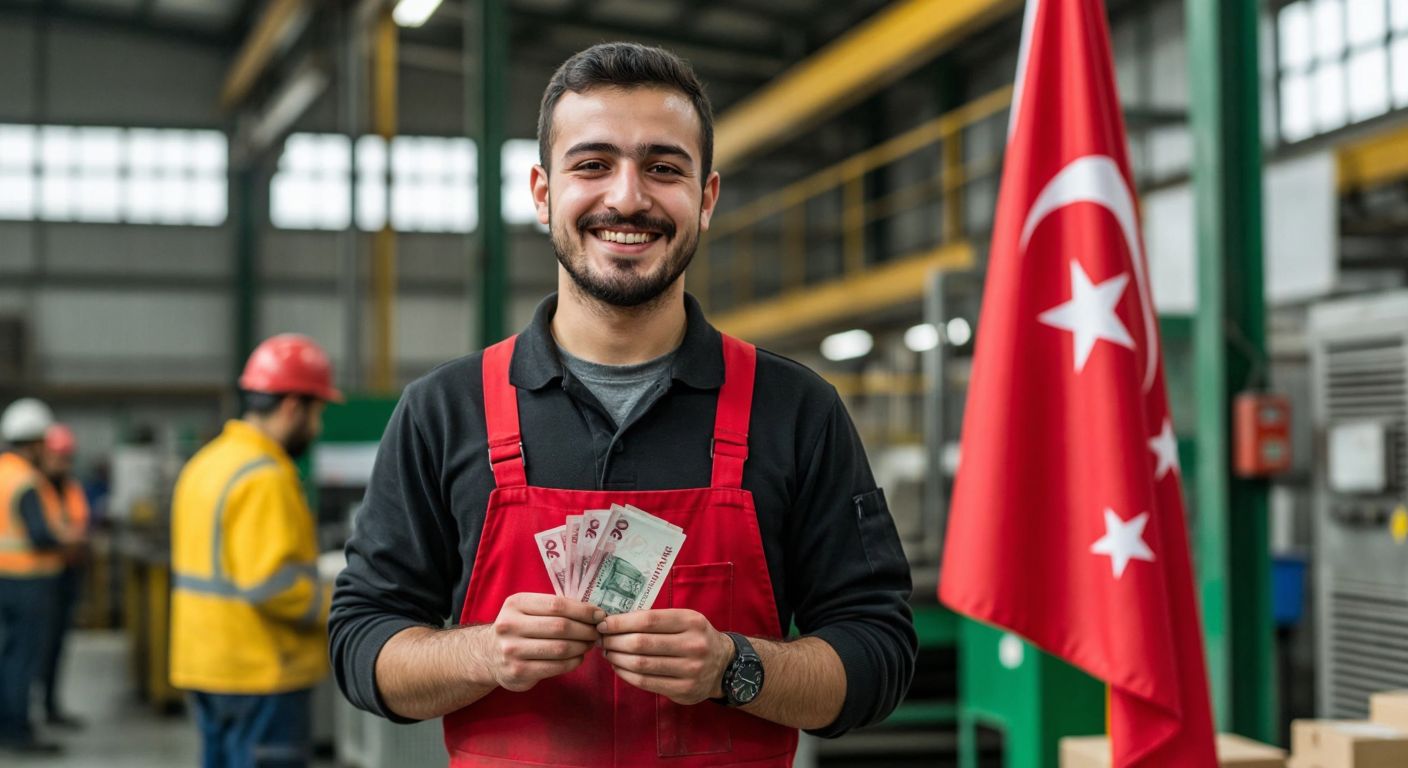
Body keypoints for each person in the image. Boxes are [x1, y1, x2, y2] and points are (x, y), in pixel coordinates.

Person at [330, 42, 916, 767]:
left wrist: (735, 668)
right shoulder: (444, 412)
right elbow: (360, 642)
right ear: (543, 193)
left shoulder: (795, 410)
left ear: (706, 198)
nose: (628, 198)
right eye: (593, 164)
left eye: (664, 168)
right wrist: (483, 652)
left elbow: (880, 653)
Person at [170, 334, 341, 768]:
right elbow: (272, 586)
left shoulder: (207, 462)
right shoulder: (266, 477)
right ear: (291, 406)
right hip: (261, 668)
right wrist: (338, 606)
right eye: (316, 412)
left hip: (205, 662)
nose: (317, 428)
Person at [0, 398, 65, 755]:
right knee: (24, 658)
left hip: (4, 579)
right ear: (34, 442)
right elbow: (39, 534)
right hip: (27, 581)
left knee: (8, 655)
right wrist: (69, 539)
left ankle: (6, 723)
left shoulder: (1, 471)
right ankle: (19, 730)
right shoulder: (25, 479)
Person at [36, 423, 89, 730]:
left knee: (56, 646)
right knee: (32, 649)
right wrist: (67, 536)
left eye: (66, 458)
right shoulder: (34, 488)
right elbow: (44, 534)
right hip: (39, 578)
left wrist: (70, 537)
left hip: (66, 575)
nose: (62, 464)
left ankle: (51, 706)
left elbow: (79, 526)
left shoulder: (70, 489)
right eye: (57, 457)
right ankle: (22, 709)